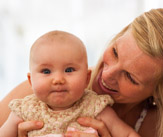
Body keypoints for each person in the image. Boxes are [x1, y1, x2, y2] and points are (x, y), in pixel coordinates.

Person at [0, 8, 163, 137]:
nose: (106, 75)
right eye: (115, 52)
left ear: (161, 92)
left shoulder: (162, 127)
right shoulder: (42, 92)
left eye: (130, 77)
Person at [0, 30, 140, 137]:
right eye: (46, 71)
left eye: (69, 70)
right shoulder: (25, 110)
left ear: (86, 78)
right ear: (31, 80)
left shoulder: (95, 107)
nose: (58, 79)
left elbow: (128, 134)